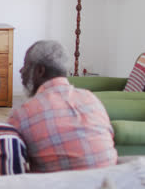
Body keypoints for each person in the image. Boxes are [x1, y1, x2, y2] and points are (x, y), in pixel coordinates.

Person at [8, 40, 117, 172]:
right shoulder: (91, 99)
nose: (21, 71)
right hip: (109, 182)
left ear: (40, 71)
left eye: (25, 65)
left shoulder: (22, 115)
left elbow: (12, 163)